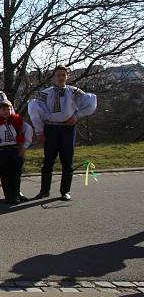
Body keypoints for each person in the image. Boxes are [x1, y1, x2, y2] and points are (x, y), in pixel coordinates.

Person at [28, 65, 97, 201]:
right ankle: (44, 191)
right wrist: (39, 132)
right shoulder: (45, 93)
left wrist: (76, 116)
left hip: (67, 129)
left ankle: (65, 191)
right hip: (51, 129)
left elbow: (90, 104)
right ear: (54, 77)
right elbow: (36, 112)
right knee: (48, 161)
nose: (60, 78)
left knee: (67, 160)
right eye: (58, 75)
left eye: (63, 75)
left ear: (67, 77)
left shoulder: (74, 91)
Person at [0, 100, 33, 204]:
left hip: (16, 150)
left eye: (8, 109)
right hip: (2, 151)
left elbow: (28, 131)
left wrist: (24, 147)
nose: (6, 111)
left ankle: (16, 194)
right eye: (3, 109)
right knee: (5, 174)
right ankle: (8, 196)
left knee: (16, 173)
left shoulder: (18, 121)